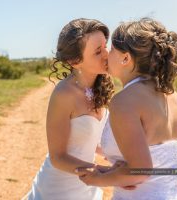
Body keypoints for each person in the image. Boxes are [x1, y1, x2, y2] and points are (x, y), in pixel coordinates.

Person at [76, 18, 177, 200]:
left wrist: (97, 179)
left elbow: (141, 171)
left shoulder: (124, 101)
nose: (106, 54)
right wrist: (120, 171)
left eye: (111, 49)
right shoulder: (170, 93)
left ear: (125, 58)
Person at [27, 18, 115, 200]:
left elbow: (87, 140)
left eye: (105, 46)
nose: (106, 54)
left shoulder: (100, 86)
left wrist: (112, 154)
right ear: (75, 61)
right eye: (98, 52)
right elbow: (58, 157)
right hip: (58, 189)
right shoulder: (64, 94)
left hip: (85, 185)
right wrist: (100, 172)